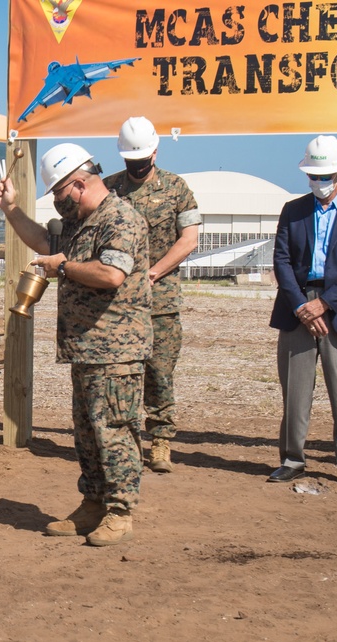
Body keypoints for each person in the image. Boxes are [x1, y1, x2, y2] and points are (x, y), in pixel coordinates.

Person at [0, 143, 151, 546]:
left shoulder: (120, 219)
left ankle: (120, 511)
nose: (59, 205)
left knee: (115, 430)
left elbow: (111, 274)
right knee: (87, 432)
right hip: (88, 350)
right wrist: (11, 210)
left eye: (60, 195)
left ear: (79, 184)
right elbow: (45, 245)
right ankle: (94, 503)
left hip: (117, 351)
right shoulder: (84, 221)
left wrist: (62, 267)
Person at [268, 135, 337, 488]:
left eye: (326, 175)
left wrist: (325, 303)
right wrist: (302, 305)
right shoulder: (293, 210)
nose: (320, 182)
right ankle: (292, 459)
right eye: (314, 176)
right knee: (295, 390)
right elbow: (282, 260)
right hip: (297, 306)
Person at [103, 117, 201, 473]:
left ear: (156, 152)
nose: (137, 167)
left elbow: (189, 239)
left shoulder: (177, 188)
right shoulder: (108, 188)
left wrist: (155, 272)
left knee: (159, 373)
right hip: (115, 306)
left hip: (160, 301)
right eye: (131, 160)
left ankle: (160, 440)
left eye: (142, 159)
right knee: (118, 375)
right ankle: (122, 441)